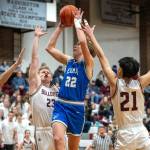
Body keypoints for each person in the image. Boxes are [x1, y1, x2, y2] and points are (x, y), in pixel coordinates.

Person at [82, 20, 150, 150]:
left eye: (119, 67)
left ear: (122, 71)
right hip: (141, 132)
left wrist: (91, 35)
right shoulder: (141, 83)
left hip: (125, 133)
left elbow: (101, 56)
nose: (117, 69)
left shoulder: (115, 82)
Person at [46, 9, 94, 150]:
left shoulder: (88, 64)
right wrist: (59, 28)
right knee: (58, 139)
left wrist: (77, 21)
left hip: (77, 108)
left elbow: (84, 42)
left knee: (73, 148)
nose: (76, 44)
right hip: (61, 105)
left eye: (78, 44)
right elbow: (49, 48)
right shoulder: (69, 61)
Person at [29, 26, 56, 150]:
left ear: (51, 77)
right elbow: (34, 61)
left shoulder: (56, 90)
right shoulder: (36, 87)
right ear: (38, 76)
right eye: (42, 72)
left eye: (48, 72)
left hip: (58, 130)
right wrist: (36, 38)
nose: (46, 73)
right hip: (42, 131)